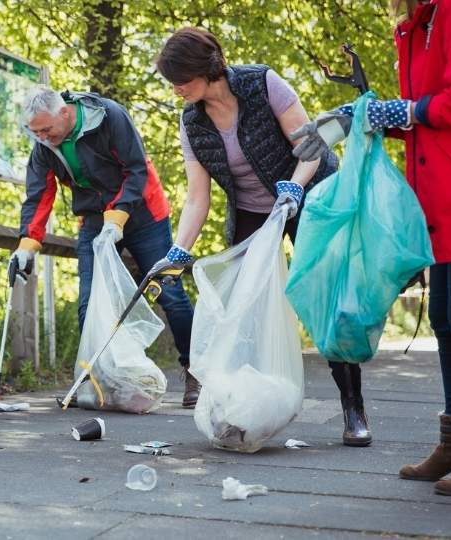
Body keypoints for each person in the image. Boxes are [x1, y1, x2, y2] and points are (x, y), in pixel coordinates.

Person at [293, 0, 451, 497]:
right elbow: (427, 112)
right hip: (445, 196)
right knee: (444, 316)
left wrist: (401, 110)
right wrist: (360, 118)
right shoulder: (423, 23)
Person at [146, 28, 369, 445]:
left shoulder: (262, 83)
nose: (175, 89)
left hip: (309, 197)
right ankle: (243, 408)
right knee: (241, 310)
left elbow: (313, 145)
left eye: (181, 80)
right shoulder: (192, 122)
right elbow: (197, 199)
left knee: (326, 304)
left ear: (205, 69)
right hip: (252, 213)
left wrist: (294, 189)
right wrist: (179, 250)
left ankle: (353, 408)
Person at [11, 86, 199, 408]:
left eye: (46, 129)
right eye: (35, 132)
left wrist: (119, 217)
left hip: (143, 213)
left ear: (65, 113)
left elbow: (135, 169)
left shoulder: (109, 116)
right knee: (88, 302)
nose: (41, 137)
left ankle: (195, 371)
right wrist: (28, 244)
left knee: (170, 293)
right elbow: (39, 194)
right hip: (94, 219)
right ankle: (98, 379)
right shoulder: (43, 145)